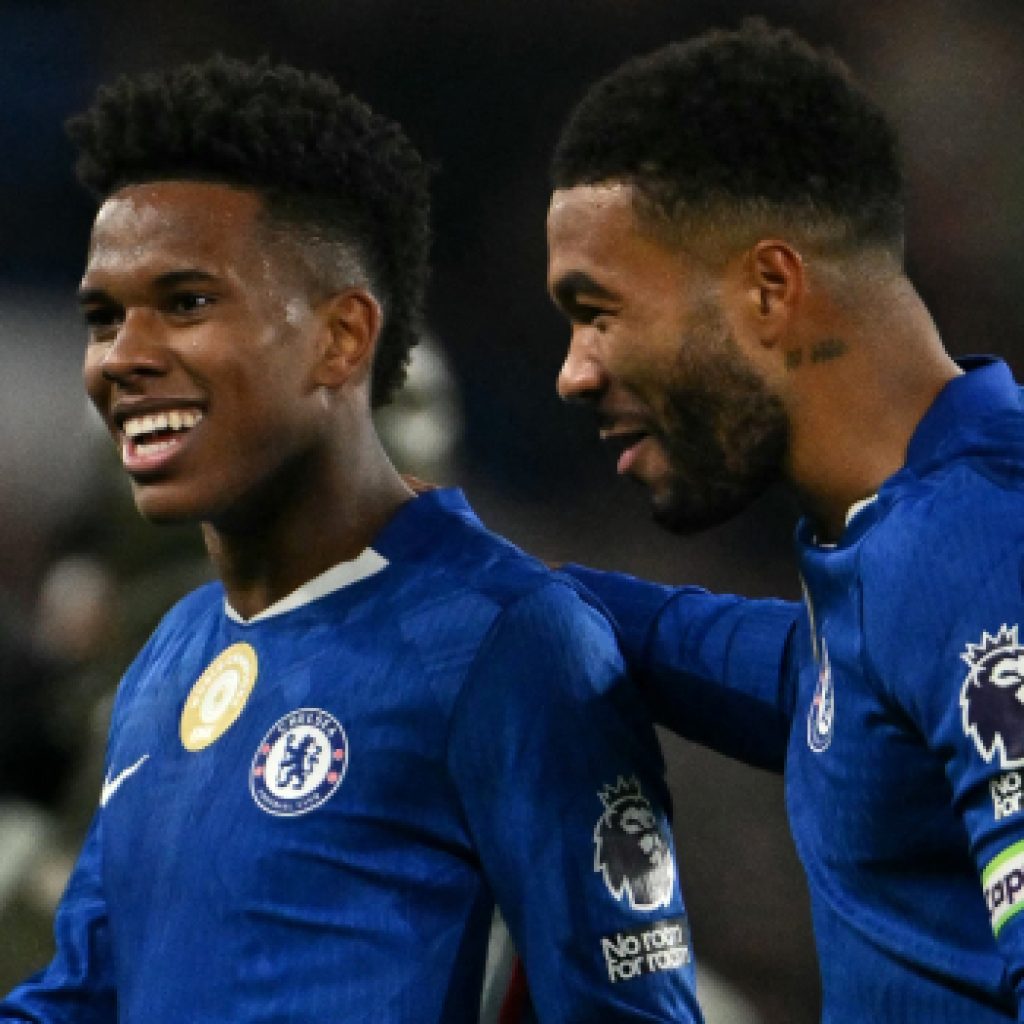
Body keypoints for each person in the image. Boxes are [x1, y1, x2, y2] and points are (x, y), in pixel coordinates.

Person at [0, 56, 700, 1023]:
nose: (124, 356)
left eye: (189, 302)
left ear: (341, 342)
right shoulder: (172, 660)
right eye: (103, 316)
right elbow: (83, 992)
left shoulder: (515, 645)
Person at [545, 20, 1024, 1022]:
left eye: (599, 311)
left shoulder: (974, 544)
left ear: (768, 289)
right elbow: (812, 682)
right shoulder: (895, 549)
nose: (575, 372)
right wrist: (463, 572)